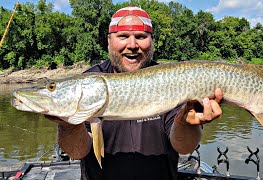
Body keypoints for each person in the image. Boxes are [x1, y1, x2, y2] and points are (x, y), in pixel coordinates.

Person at [47, 6, 223, 180]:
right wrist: (67, 124)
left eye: (140, 37)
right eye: (123, 36)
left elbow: (184, 147)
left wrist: (185, 123)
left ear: (151, 41)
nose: (132, 45)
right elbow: (77, 152)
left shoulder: (172, 79)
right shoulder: (89, 82)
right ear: (109, 41)